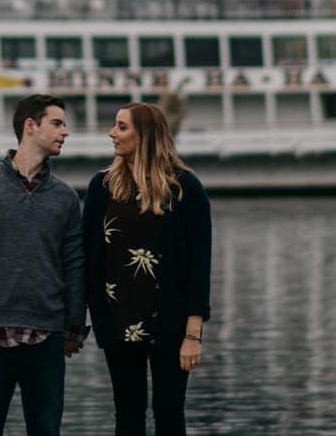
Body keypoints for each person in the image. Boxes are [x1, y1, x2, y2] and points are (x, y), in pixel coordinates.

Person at [0, 93, 86, 436]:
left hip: (48, 337)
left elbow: (74, 266)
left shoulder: (66, 197)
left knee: (46, 430)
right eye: (57, 123)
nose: (65, 132)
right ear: (30, 126)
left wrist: (73, 327)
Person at [82, 102, 213, 436]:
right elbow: (89, 259)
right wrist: (89, 318)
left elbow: (199, 265)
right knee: (127, 416)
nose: (112, 133)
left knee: (170, 415)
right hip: (117, 322)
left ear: (146, 135)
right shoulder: (101, 187)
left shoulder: (186, 188)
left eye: (122, 127)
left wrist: (192, 334)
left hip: (171, 323)